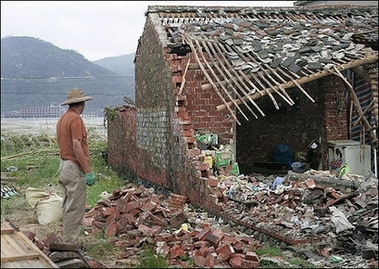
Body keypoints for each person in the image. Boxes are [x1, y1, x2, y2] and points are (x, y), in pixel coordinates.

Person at [56, 88, 96, 245]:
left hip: (64, 165)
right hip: (73, 167)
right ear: (82, 104)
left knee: (68, 205)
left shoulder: (63, 119)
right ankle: (70, 244)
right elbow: (76, 146)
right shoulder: (76, 119)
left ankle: (68, 239)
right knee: (75, 207)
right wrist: (88, 171)